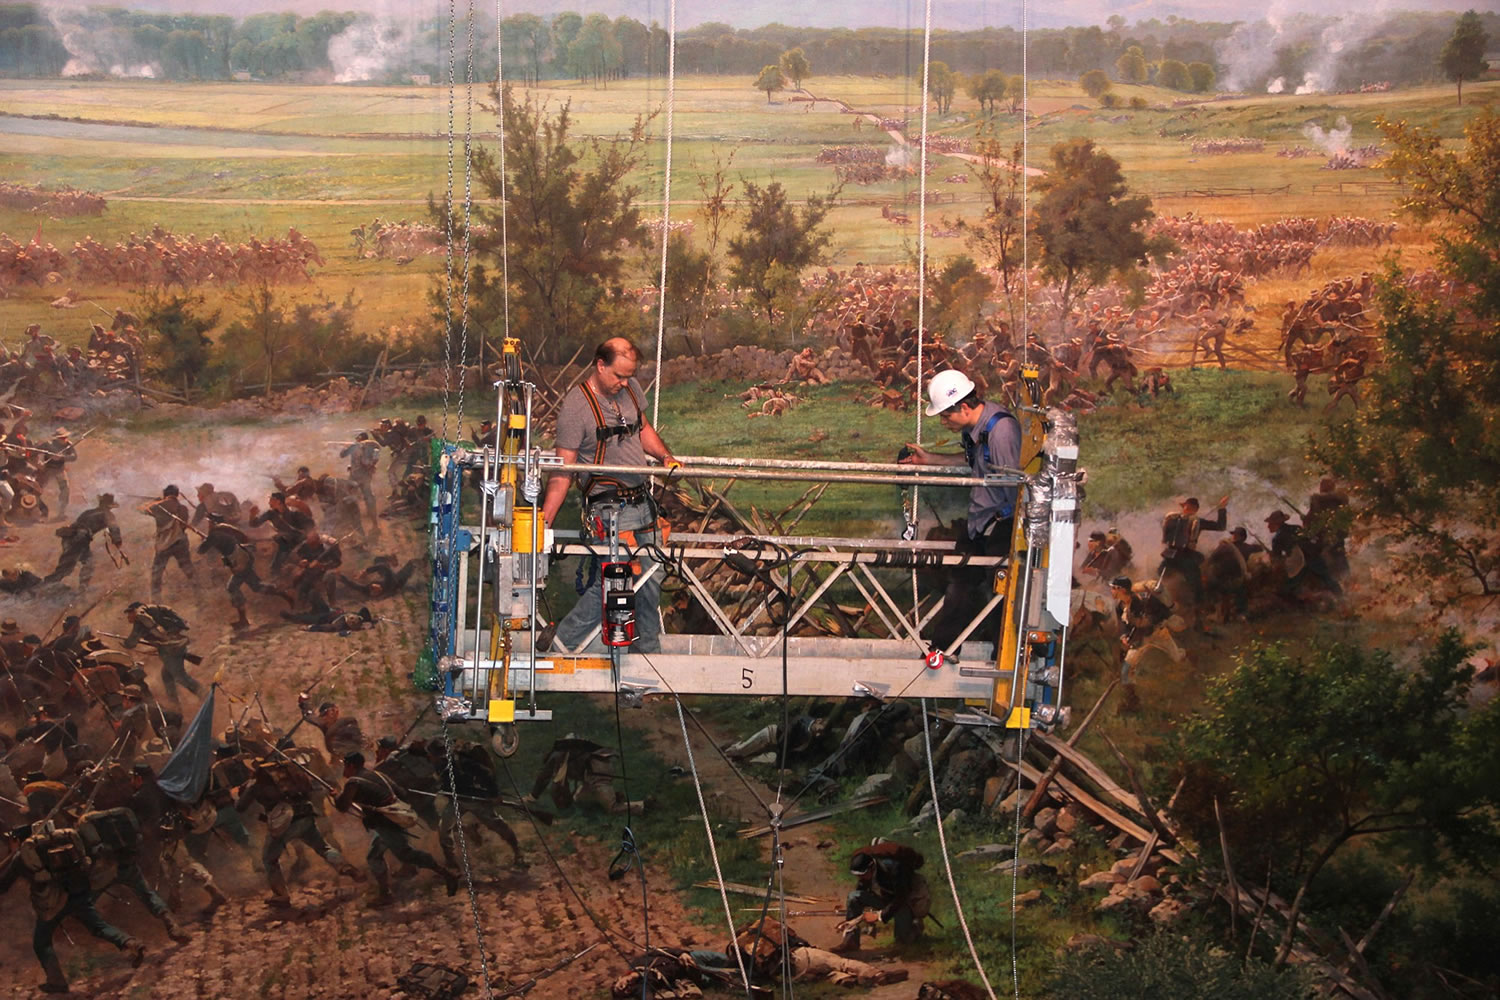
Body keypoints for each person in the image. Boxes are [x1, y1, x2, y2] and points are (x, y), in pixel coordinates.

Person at [539, 338, 679, 654]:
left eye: (629, 376)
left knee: (650, 580)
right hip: (610, 510)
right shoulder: (577, 407)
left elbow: (641, 429)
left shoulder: (629, 390)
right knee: (616, 581)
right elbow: (563, 471)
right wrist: (544, 522)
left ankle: (647, 657)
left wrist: (665, 457)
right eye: (618, 375)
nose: (625, 382)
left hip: (643, 502)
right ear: (600, 365)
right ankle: (561, 645)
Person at [897, 370, 1020, 658]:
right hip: (981, 521)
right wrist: (929, 460)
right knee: (961, 580)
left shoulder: (1001, 431)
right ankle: (944, 648)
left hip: (1001, 522)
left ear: (964, 407)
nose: (943, 422)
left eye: (945, 415)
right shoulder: (975, 429)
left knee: (1001, 588)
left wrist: (1011, 531)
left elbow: (1015, 483)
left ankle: (1003, 654)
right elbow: (973, 462)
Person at [0, 821, 145, 993]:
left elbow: (3, 886)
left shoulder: (23, 856)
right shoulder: (65, 841)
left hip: (53, 904)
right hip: (78, 894)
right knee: (98, 926)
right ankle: (130, 943)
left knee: (41, 942)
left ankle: (57, 982)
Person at [334, 751, 458, 906]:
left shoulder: (353, 782)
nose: (343, 769)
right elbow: (401, 793)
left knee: (406, 854)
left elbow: (342, 806)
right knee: (374, 856)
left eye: (345, 765)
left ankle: (447, 875)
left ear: (351, 766)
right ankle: (385, 893)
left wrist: (336, 795)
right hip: (391, 820)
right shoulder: (378, 775)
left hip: (386, 825)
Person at [833, 840, 930, 953]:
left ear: (871, 868)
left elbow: (901, 898)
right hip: (888, 900)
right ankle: (851, 941)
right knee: (854, 897)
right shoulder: (865, 875)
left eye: (862, 875)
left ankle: (915, 928)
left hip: (905, 903)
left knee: (902, 942)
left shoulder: (896, 869)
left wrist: (878, 916)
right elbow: (862, 892)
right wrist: (854, 922)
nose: (860, 879)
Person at [122, 602, 200, 704]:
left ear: (134, 611)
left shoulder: (140, 619)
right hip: (177, 644)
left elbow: (132, 642)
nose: (128, 616)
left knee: (180, 677)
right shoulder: (154, 611)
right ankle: (175, 707)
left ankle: (204, 694)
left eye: (129, 613)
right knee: (167, 676)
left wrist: (125, 643)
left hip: (171, 649)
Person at [43, 493, 124, 591]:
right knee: (68, 566)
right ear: (110, 506)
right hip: (79, 539)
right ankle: (45, 586)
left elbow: (78, 524)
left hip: (71, 538)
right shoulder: (108, 514)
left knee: (88, 562)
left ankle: (83, 587)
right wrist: (118, 542)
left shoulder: (88, 512)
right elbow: (114, 528)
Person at [1158, 496, 1228, 603]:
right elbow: (1220, 526)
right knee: (1196, 584)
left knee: (1160, 575)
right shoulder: (1195, 521)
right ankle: (1199, 605)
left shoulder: (1172, 519)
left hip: (1171, 556)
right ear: (1195, 509)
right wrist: (1222, 507)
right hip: (1182, 558)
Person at [140, 484, 196, 600]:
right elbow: (183, 526)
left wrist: (154, 502)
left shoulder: (158, 506)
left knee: (157, 573)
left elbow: (142, 510)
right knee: (188, 569)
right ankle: (199, 594)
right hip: (181, 542)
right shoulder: (183, 508)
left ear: (165, 494)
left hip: (164, 545)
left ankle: (156, 601)